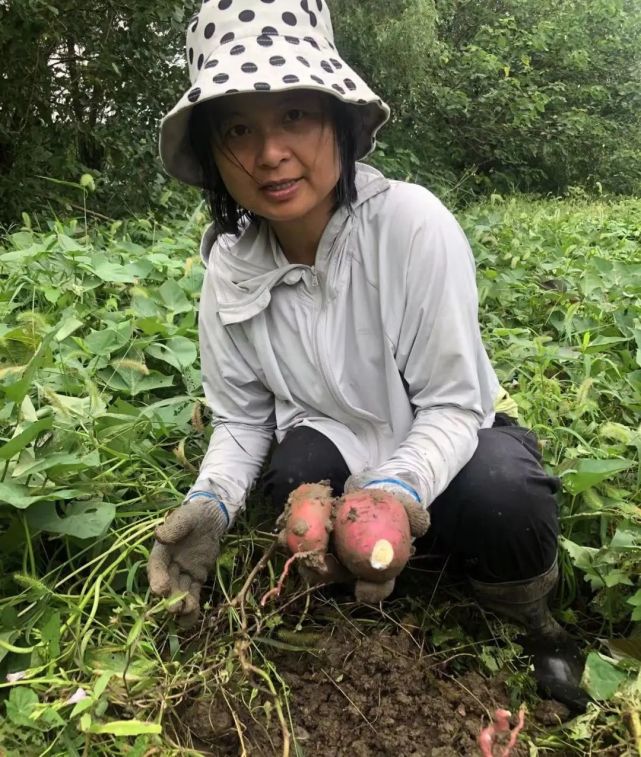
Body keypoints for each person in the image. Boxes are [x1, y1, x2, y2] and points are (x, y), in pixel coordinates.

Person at [147, 0, 587, 710]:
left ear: (340, 121)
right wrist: (210, 503)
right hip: (332, 453)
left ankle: (533, 620)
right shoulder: (229, 268)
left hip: (446, 444)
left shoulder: (410, 225)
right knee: (288, 476)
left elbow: (452, 402)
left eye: (295, 116)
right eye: (237, 130)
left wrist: (396, 492)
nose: (269, 155)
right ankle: (366, 592)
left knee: (503, 494)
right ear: (212, 153)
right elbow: (241, 422)